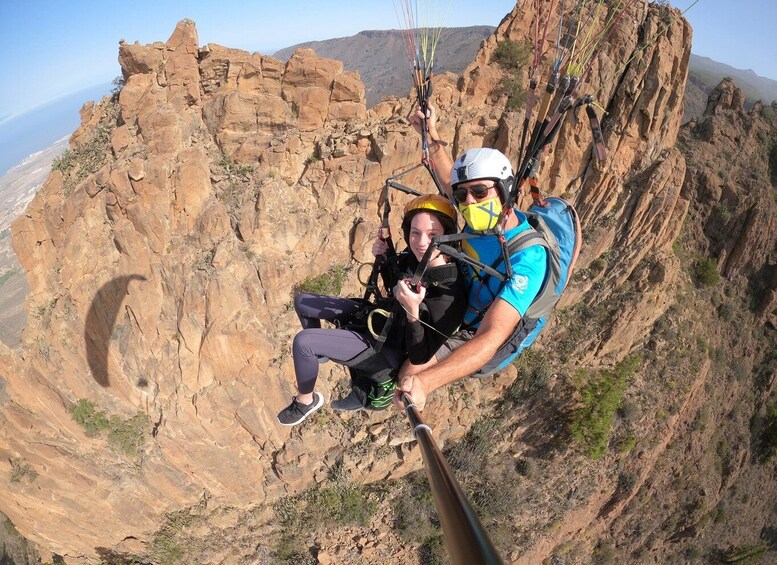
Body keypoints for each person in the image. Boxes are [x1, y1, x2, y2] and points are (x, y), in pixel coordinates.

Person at [394, 104, 549, 411]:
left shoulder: (529, 258)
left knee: (408, 373)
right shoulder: (481, 217)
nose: (468, 202)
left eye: (479, 192)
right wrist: (430, 132)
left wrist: (426, 383)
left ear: (504, 192)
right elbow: (448, 172)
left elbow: (491, 337)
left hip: (479, 326)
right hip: (463, 298)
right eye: (462, 195)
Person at [278, 194, 467, 426]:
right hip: (380, 318)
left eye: (432, 235)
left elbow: (420, 356)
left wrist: (412, 311)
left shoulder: (450, 295)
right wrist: (385, 256)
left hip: (387, 350)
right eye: (415, 233)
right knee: (303, 302)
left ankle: (306, 401)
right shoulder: (415, 257)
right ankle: (323, 350)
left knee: (304, 342)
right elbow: (392, 283)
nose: (421, 242)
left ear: (447, 237)